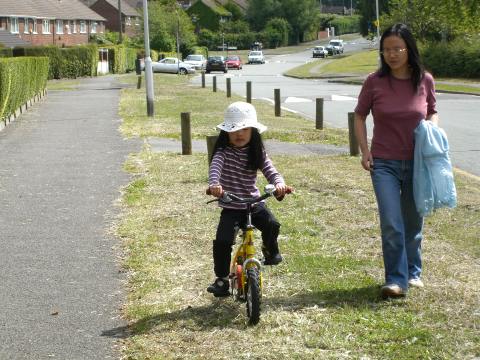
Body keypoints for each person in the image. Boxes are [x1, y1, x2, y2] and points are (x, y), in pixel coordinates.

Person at [354, 23, 439, 298]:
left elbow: (432, 112)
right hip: (384, 163)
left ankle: (413, 272)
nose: (392, 54)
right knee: (392, 221)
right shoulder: (374, 81)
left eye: (397, 48)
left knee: (413, 223)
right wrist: (364, 151)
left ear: (409, 49)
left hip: (418, 163)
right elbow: (359, 115)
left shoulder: (424, 80)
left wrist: (432, 130)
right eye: (387, 49)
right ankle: (396, 280)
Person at [207, 101, 288, 297]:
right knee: (222, 241)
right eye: (234, 130)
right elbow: (215, 169)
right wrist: (215, 185)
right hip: (231, 205)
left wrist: (279, 184)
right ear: (226, 133)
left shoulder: (257, 152)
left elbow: (271, 170)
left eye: (244, 129)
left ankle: (269, 250)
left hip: (253, 203)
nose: (239, 134)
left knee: (272, 224)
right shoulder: (223, 153)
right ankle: (221, 279)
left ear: (253, 131)